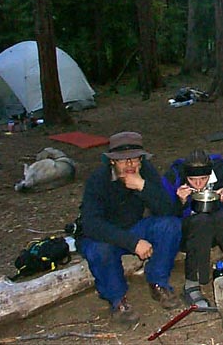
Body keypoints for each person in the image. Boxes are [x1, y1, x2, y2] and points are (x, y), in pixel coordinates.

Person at [77, 132, 182, 326]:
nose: (130, 164)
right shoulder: (98, 180)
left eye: (135, 159)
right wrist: (132, 243)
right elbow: (91, 224)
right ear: (112, 161)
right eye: (123, 160)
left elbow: (168, 210)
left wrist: (143, 186)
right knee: (100, 250)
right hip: (103, 236)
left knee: (170, 226)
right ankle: (117, 300)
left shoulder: (145, 172)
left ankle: (158, 282)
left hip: (133, 227)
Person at [161, 149, 223, 308]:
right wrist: (179, 202)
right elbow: (163, 214)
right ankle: (192, 283)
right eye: (192, 180)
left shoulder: (219, 169)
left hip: (217, 229)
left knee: (222, 216)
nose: (199, 184)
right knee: (201, 220)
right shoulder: (175, 175)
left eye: (203, 179)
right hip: (187, 235)